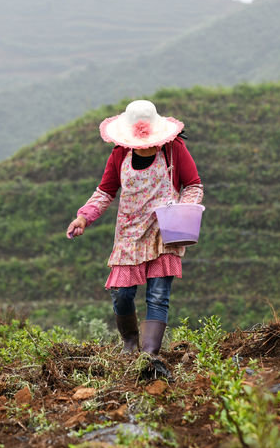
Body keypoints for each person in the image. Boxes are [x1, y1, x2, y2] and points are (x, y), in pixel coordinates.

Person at [66, 100, 203, 359]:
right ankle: (130, 343)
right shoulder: (120, 154)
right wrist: (83, 217)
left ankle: (149, 354)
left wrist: (184, 210)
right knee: (122, 293)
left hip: (164, 232)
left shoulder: (173, 149)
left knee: (158, 295)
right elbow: (105, 191)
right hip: (129, 233)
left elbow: (193, 185)